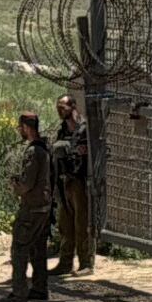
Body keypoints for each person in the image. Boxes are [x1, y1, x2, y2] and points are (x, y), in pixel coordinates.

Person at [6, 110, 54, 302]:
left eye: (21, 127)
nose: (20, 131)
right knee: (38, 249)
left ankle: (19, 292)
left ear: (26, 127)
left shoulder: (34, 152)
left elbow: (27, 183)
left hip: (32, 208)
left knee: (19, 248)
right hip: (43, 207)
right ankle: (40, 288)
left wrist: (15, 186)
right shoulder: (44, 148)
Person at [51, 93, 95, 276]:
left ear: (73, 107)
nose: (60, 110)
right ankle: (65, 262)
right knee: (65, 224)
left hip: (80, 181)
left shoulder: (83, 129)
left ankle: (86, 263)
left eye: (63, 107)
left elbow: (87, 154)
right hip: (64, 181)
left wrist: (70, 149)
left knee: (81, 223)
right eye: (58, 107)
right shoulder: (62, 129)